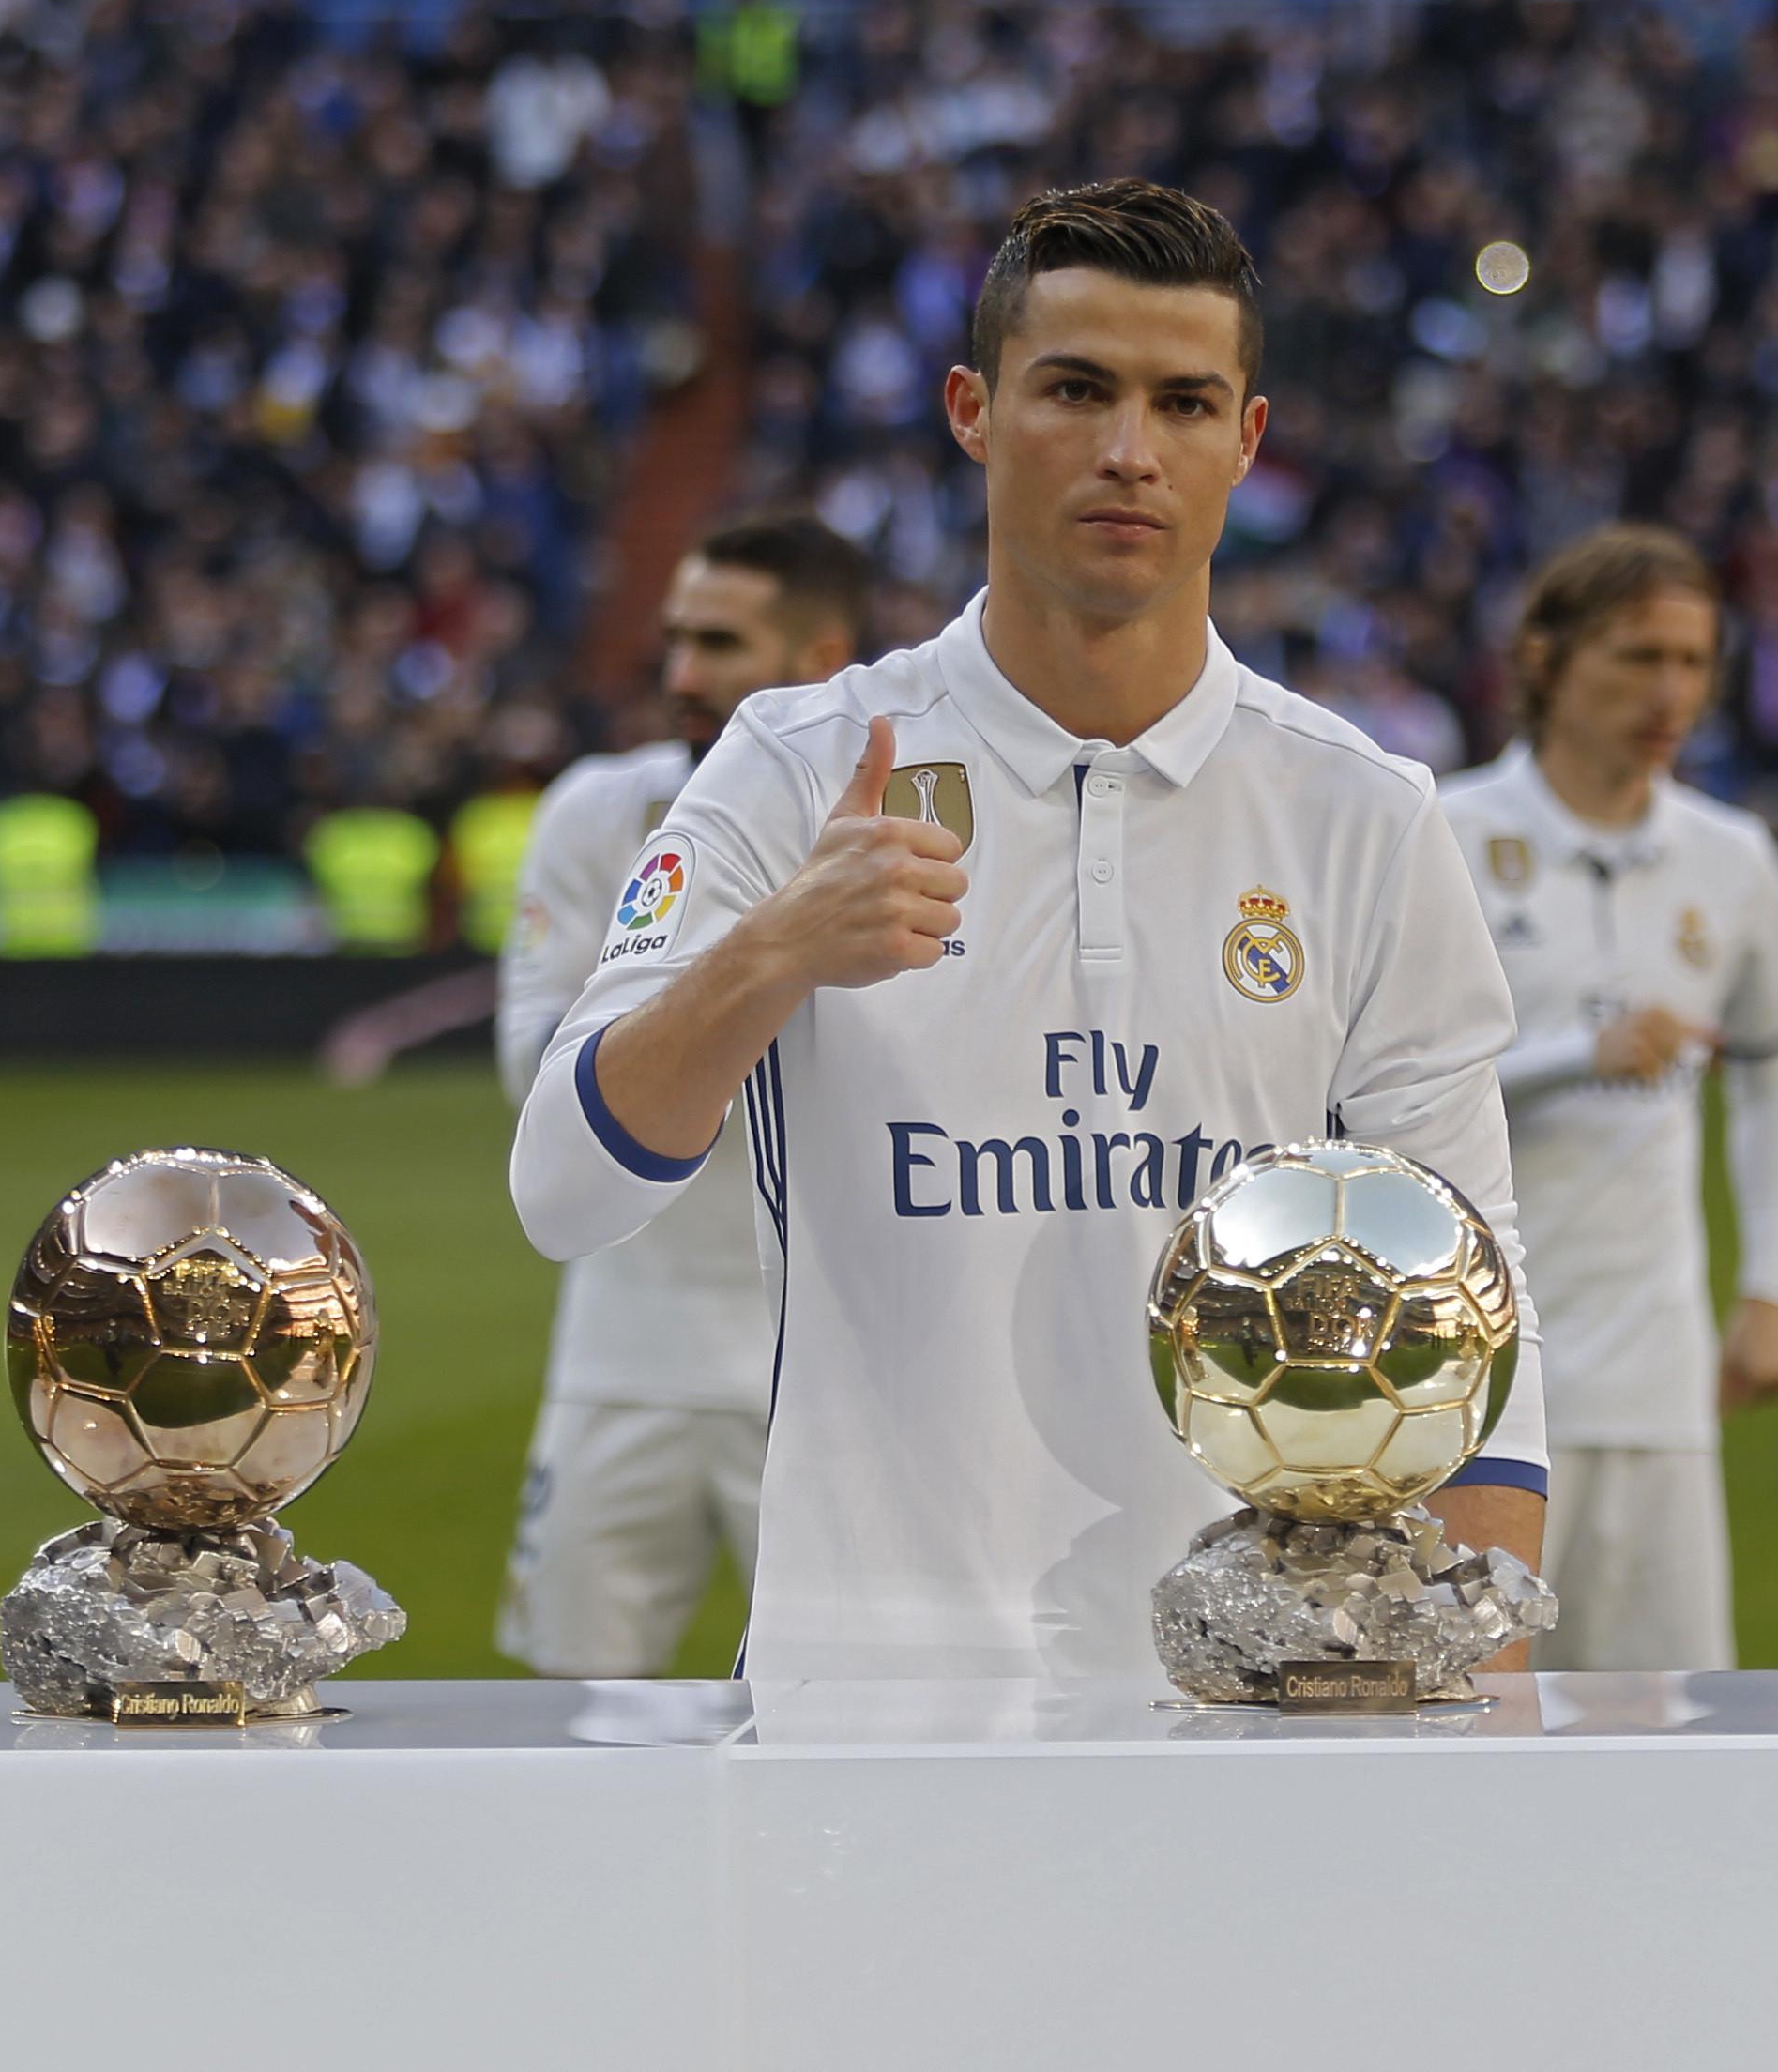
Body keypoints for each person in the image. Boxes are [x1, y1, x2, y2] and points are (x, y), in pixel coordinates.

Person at [511, 179, 1544, 1686]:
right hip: (865, 1683)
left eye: (1183, 402)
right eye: (1075, 389)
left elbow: (1475, 1263)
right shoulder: (799, 761)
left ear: (1245, 443)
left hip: (1255, 1687)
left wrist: (1485, 1663)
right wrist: (772, 951)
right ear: (971, 410)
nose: (1131, 450)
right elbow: (562, 1189)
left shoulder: (1357, 810)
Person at [493, 513, 870, 1676]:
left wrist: (669, 1030)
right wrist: (760, 988)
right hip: (621, 1354)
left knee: (850, 1727)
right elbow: (538, 1069)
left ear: (822, 660)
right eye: (673, 641)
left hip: (822, 1368)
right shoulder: (595, 811)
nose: (681, 676)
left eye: (718, 643)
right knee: (568, 1723)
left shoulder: (910, 816)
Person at [1439, 526, 1778, 1673]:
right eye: (1636, 656)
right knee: (1465, 1710)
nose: (1670, 693)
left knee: (1666, 1721)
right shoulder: (1440, 832)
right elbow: (1372, 1093)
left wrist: (1771, 1288)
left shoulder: (1730, 855)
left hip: (1654, 1372)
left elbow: (1770, 1076)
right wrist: (1572, 1052)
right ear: (1545, 659)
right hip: (1468, 1368)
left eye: (1692, 662)